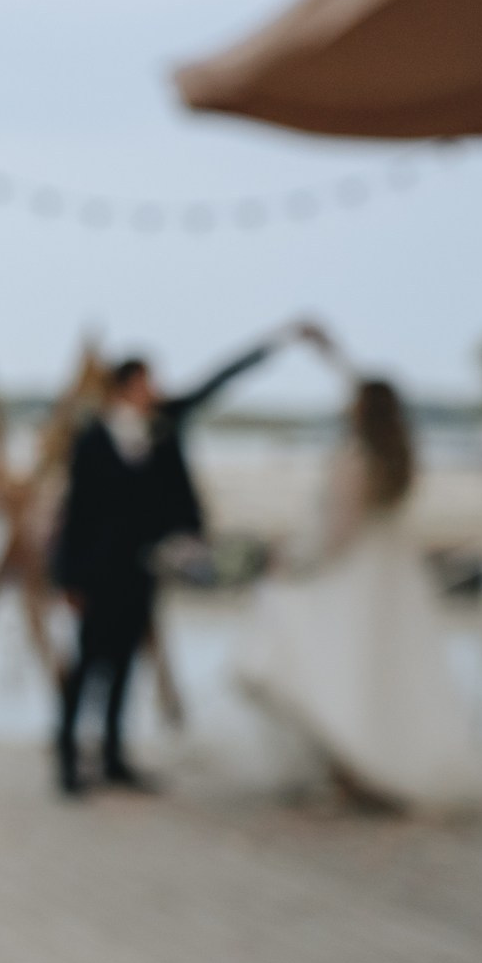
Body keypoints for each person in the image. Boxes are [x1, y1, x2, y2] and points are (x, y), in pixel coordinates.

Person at [49, 332, 286, 795]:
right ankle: (67, 758)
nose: (155, 390)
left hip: (142, 569)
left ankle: (115, 757)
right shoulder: (91, 440)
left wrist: (268, 348)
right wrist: (68, 579)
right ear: (124, 387)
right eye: (146, 382)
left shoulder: (163, 427)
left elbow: (210, 387)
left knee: (125, 665)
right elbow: (74, 513)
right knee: (86, 666)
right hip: (98, 574)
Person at [233, 376, 477, 811]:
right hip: (392, 577)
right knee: (382, 675)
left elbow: (339, 532)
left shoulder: (355, 457)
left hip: (350, 575)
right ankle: (363, 767)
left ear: (362, 409)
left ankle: (347, 769)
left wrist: (296, 563)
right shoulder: (399, 459)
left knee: (327, 667)